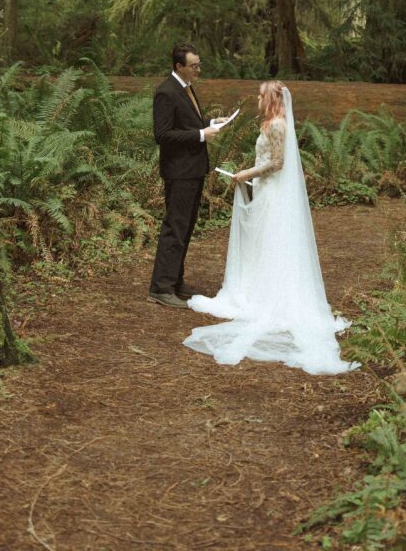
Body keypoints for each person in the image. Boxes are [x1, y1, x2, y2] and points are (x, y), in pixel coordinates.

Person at [184, 81, 359, 375]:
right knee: (265, 245)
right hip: (265, 189)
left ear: (272, 99)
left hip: (274, 193)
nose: (257, 98)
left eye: (261, 95)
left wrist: (245, 174)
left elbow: (277, 163)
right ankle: (261, 288)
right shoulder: (271, 123)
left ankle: (274, 296)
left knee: (274, 242)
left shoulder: (278, 125)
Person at [148, 43, 227, 309]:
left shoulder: (186, 88)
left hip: (193, 171)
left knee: (187, 227)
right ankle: (161, 288)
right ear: (178, 66)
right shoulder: (166, 92)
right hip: (179, 172)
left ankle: (175, 281)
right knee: (175, 227)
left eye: (198, 64)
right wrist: (200, 135)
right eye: (193, 66)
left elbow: (188, 123)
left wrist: (210, 125)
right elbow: (162, 135)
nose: (198, 70)